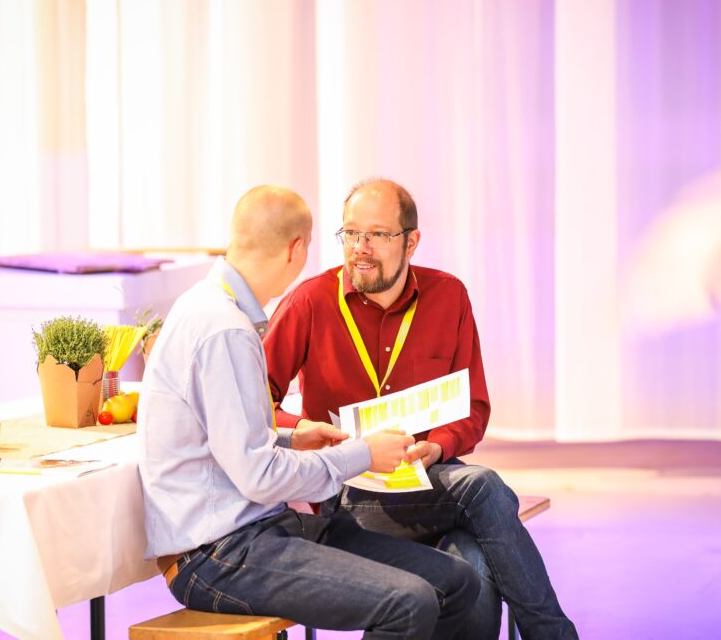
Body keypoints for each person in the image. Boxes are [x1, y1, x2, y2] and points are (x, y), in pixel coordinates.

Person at [137, 185, 479, 639]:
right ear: (296, 249)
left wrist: (292, 437)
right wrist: (362, 454)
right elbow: (259, 477)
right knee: (409, 601)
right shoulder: (224, 328)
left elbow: (221, 437)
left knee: (457, 581)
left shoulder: (210, 307)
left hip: (259, 527)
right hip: (216, 551)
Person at [264, 178, 579, 639]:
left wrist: (437, 447)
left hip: (430, 481)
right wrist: (306, 428)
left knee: (472, 562)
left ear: (411, 242)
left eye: (377, 234)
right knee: (483, 489)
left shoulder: (448, 296)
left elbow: (473, 409)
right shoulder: (310, 301)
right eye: (351, 233)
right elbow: (255, 402)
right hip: (348, 491)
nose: (360, 249)